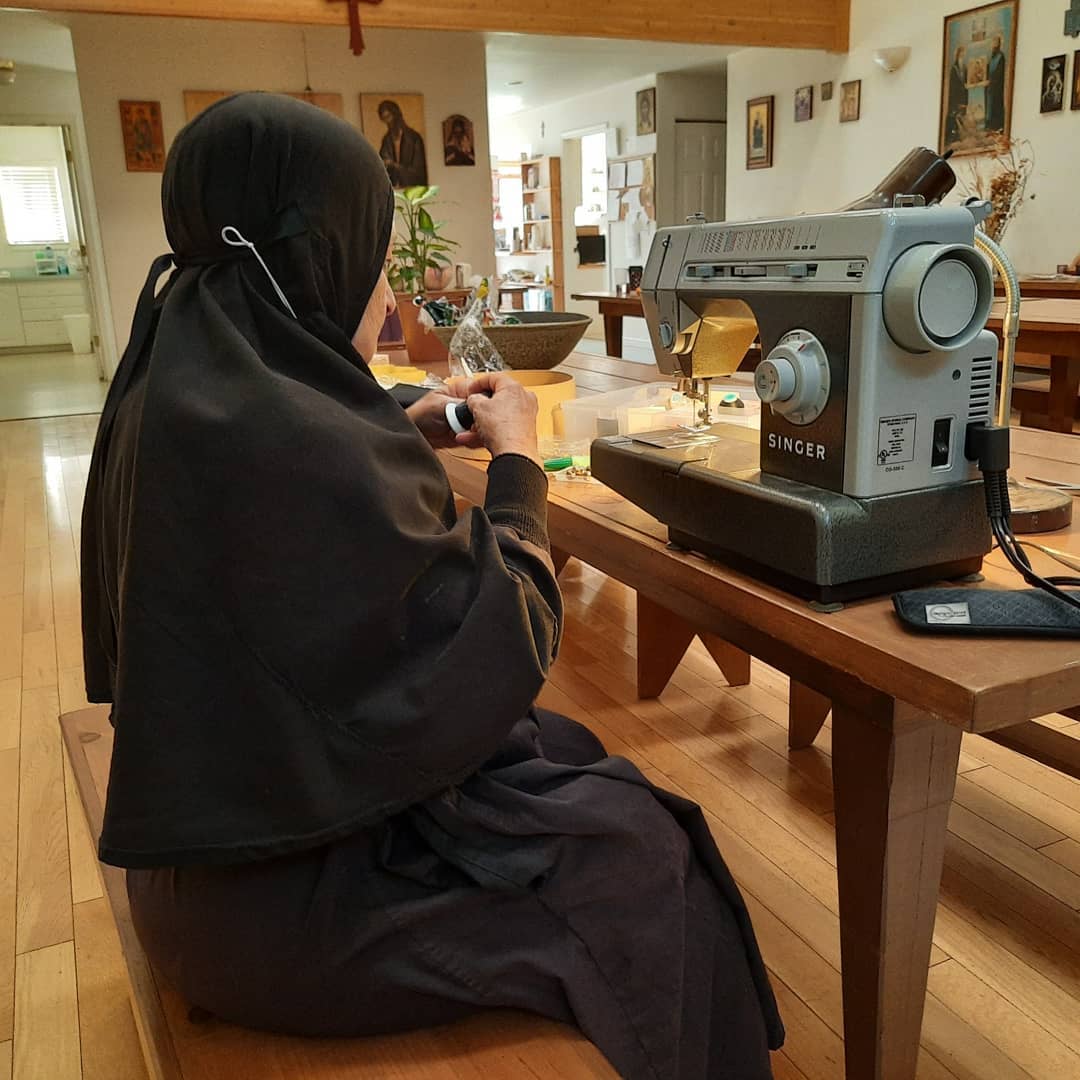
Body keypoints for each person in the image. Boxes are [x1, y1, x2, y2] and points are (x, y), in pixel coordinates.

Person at [80, 93, 783, 1080]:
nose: (388, 300)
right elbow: (500, 640)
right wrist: (517, 471)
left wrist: (390, 433)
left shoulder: (177, 375)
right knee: (650, 864)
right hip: (286, 902)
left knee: (579, 770)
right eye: (371, 256)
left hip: (202, 856)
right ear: (319, 255)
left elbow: (298, 514)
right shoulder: (289, 438)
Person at [377, 99, 427, 187]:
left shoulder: (414, 138)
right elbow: (382, 164)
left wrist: (395, 165)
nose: (388, 122)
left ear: (396, 115)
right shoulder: (387, 140)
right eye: (384, 119)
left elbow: (418, 172)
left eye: (388, 117)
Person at [947, 45, 968, 144]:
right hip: (956, 95)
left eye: (964, 52)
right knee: (955, 114)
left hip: (963, 94)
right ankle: (955, 134)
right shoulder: (954, 68)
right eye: (961, 52)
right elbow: (953, 83)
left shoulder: (964, 66)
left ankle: (960, 133)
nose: (963, 54)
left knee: (961, 114)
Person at [986, 35, 1007, 132]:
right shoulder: (991, 56)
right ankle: (990, 124)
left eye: (995, 42)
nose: (994, 44)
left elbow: (1000, 71)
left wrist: (993, 80)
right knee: (989, 105)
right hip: (990, 86)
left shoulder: (1000, 56)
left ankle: (997, 126)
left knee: (996, 104)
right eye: (993, 42)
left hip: (997, 86)